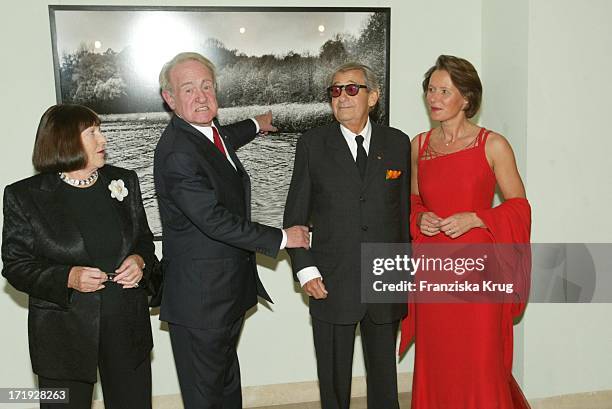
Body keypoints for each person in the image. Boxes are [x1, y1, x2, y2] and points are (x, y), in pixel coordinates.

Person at [153, 52, 310, 409]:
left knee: (224, 385)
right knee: (207, 396)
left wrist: (256, 123)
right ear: (170, 98)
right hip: (201, 302)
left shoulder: (206, 133)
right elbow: (212, 220)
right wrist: (283, 237)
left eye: (206, 86)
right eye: (188, 89)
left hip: (223, 295)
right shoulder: (178, 151)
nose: (201, 96)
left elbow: (224, 138)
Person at [2, 104, 157, 409]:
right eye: (93, 133)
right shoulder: (24, 196)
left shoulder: (125, 181)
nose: (104, 140)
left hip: (127, 329)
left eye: (100, 131)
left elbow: (144, 242)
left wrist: (139, 262)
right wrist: (68, 277)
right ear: (65, 141)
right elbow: (16, 266)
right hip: (63, 338)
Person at [398, 55, 532, 408]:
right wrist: (420, 217)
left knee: (479, 361)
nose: (434, 98)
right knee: (438, 359)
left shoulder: (493, 145)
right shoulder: (419, 146)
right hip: (432, 271)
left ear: (467, 99)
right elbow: (412, 202)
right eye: (431, 89)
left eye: (445, 90)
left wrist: (476, 218)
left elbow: (519, 206)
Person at [283, 62, 410, 409]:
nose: (342, 97)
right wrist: (305, 269)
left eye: (352, 89)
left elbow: (402, 216)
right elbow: (295, 217)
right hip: (331, 280)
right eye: (335, 91)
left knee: (385, 381)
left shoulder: (398, 143)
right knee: (334, 384)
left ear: (373, 97)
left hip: (385, 279)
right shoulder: (312, 144)